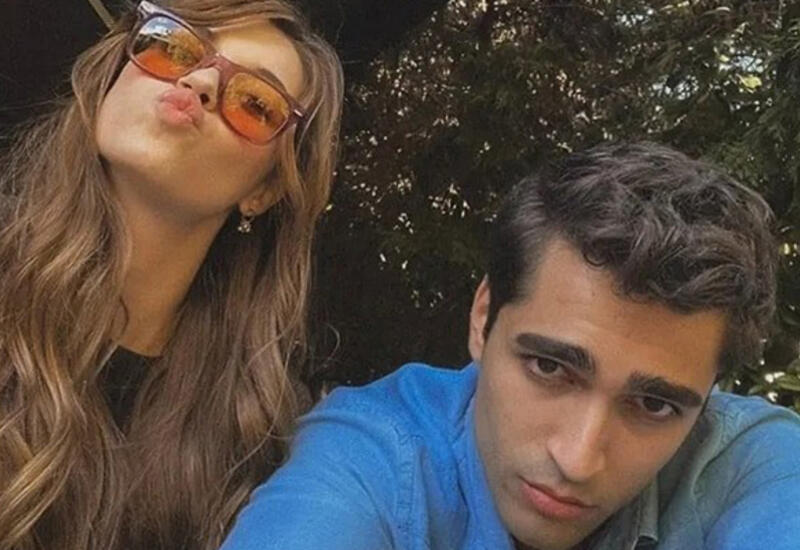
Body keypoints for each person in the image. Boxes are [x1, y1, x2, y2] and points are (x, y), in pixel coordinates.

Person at [221, 142, 800, 550]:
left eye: (654, 405)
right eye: (549, 366)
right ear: (483, 319)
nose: (577, 460)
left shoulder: (752, 464)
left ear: (710, 395)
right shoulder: (372, 456)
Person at [0, 1, 342, 549]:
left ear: (264, 190)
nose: (199, 80)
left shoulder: (253, 449)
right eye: (171, 45)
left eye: (255, 102)